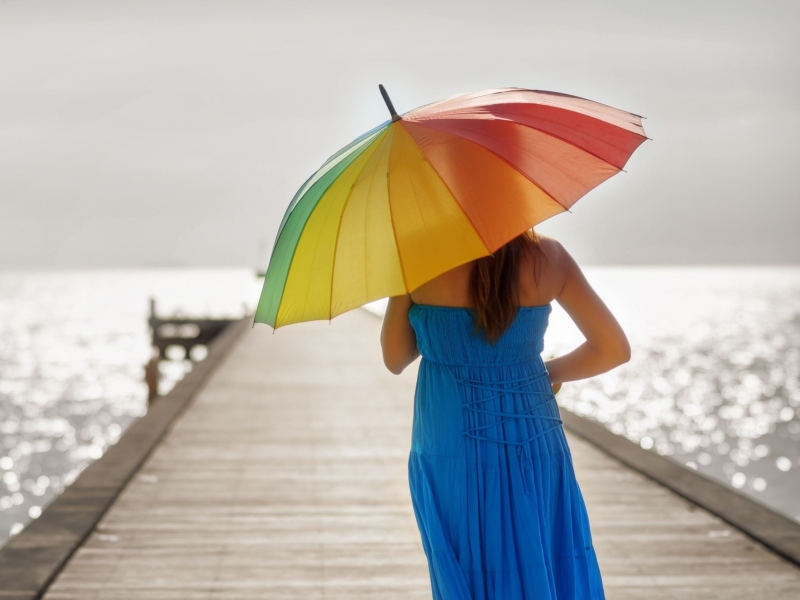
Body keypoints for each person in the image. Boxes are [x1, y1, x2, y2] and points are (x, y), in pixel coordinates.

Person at [380, 228, 630, 599]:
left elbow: (395, 357)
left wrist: (406, 288)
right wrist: (546, 375)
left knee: (464, 574)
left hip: (450, 447)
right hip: (535, 439)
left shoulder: (416, 258)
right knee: (544, 559)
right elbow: (613, 349)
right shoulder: (550, 257)